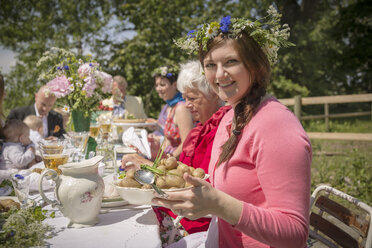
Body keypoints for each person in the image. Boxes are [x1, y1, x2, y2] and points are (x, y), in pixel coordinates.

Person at [153, 8, 312, 248]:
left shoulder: (276, 126)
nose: (219, 74)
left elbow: (295, 233)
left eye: (231, 62)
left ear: (255, 66)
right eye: (209, 65)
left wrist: (218, 204)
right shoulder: (230, 117)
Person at [121, 60, 230, 243]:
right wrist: (158, 158)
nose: (186, 105)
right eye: (185, 98)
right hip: (176, 212)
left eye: (193, 98)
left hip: (191, 223)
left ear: (214, 93)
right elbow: (181, 169)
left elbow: (191, 183)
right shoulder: (201, 128)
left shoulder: (222, 130)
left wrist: (148, 165)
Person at [150, 65, 194, 158]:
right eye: (156, 85)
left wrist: (169, 159)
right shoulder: (169, 106)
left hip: (178, 161)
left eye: (162, 85)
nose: (158, 89)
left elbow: (187, 142)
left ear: (175, 85)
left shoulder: (181, 107)